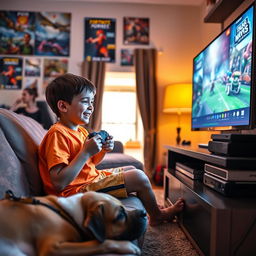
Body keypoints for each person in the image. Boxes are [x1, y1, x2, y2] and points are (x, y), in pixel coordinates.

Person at [38, 73, 184, 226]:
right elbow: (59, 182)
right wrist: (86, 151)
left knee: (131, 168)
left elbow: (91, 162)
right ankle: (157, 215)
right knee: (138, 177)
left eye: (92, 102)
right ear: (63, 106)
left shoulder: (80, 131)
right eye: (85, 101)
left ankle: (151, 206)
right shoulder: (57, 134)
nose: (91, 107)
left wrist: (101, 150)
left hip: (89, 181)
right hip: (73, 193)